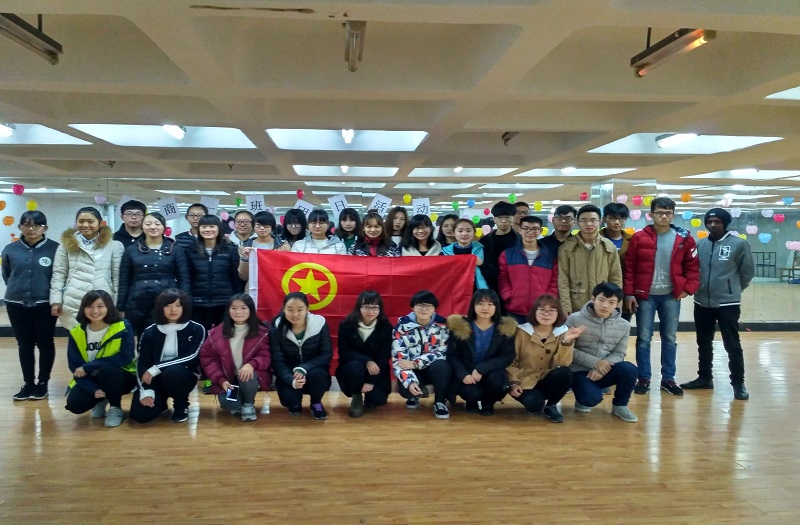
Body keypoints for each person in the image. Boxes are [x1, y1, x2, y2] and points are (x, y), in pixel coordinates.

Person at [624, 197, 700, 397]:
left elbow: (693, 267)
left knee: (669, 338)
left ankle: (668, 378)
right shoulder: (639, 238)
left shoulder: (684, 238)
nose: (664, 216)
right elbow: (630, 268)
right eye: (659, 212)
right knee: (643, 338)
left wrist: (688, 289)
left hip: (671, 296)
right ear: (651, 214)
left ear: (673, 215)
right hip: (645, 297)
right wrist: (629, 293)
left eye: (668, 213)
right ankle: (644, 378)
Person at [681, 208, 754, 400]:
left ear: (725, 223)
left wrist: (733, 289)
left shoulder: (739, 244)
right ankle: (704, 377)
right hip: (702, 302)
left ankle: (738, 383)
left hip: (728, 303)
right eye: (710, 221)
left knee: (732, 344)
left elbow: (747, 272)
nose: (713, 225)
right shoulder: (700, 244)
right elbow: (693, 270)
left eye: (717, 222)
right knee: (703, 342)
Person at [3, 211, 60, 401]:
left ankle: (42, 383)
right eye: (26, 224)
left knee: (45, 343)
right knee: (24, 344)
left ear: (45, 228)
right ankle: (28, 383)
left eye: (36, 225)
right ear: (20, 227)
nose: (31, 229)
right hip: (16, 303)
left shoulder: (55, 249)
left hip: (45, 304)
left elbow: (59, 276)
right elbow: (7, 275)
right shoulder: (10, 249)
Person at [130, 289, 206, 424]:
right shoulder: (149, 332)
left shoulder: (196, 329)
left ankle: (181, 405)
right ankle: (161, 403)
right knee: (139, 415)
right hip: (154, 380)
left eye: (178, 305)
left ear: (185, 307)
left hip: (182, 376)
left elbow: (191, 356)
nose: (173, 310)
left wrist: (157, 368)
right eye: (168, 305)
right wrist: (145, 390)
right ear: (160, 308)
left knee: (173, 372)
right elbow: (141, 364)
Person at [566, 282, 638, 423]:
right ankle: (582, 396)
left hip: (604, 369)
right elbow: (567, 350)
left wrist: (602, 367)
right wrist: (596, 363)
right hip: (579, 370)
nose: (605, 306)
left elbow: (620, 353)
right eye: (601, 300)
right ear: (593, 299)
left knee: (630, 369)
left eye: (611, 302)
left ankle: (620, 406)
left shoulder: (624, 325)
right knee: (590, 399)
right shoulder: (574, 319)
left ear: (617, 304)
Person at [64, 290, 137, 428]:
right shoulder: (76, 332)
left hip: (122, 376)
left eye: (100, 306)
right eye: (89, 306)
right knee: (75, 405)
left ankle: (115, 407)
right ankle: (101, 399)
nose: (95, 311)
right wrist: (93, 389)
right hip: (92, 378)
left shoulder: (123, 327)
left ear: (108, 307)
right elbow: (75, 366)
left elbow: (125, 358)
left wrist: (89, 366)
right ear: (83, 308)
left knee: (106, 369)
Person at [508, 295, 583, 423]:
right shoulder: (521, 331)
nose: (546, 314)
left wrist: (566, 341)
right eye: (542, 310)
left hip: (548, 378)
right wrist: (513, 383)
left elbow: (563, 363)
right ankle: (537, 400)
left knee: (565, 372)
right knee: (535, 406)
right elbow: (510, 361)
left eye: (552, 310)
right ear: (534, 312)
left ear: (558, 313)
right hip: (524, 381)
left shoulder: (563, 332)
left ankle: (551, 405)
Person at [50, 207, 125, 330]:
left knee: (101, 337)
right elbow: (59, 273)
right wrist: (56, 301)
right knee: (76, 336)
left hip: (103, 300)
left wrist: (118, 304)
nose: (85, 225)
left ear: (100, 223)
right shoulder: (66, 245)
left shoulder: (114, 246)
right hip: (74, 300)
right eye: (81, 221)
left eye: (90, 221)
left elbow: (117, 277)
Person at [200, 294, 270, 422]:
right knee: (229, 404)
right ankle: (239, 402)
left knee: (247, 375)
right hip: (229, 380)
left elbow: (266, 356)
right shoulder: (216, 333)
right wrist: (221, 380)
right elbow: (208, 359)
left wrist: (252, 364)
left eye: (243, 308)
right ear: (228, 310)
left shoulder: (261, 332)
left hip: (250, 376)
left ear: (251, 310)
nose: (238, 312)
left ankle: (248, 404)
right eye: (234, 308)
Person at [117, 212, 190, 336]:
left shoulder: (175, 249)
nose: (153, 227)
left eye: (157, 224)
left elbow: (184, 278)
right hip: (137, 301)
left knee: (167, 337)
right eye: (148, 224)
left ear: (164, 227)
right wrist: (121, 306)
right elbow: (124, 280)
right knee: (141, 338)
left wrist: (185, 303)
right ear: (142, 226)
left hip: (168, 302)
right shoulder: (131, 250)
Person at [446, 290, 516, 416]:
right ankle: (471, 402)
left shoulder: (505, 328)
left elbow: (507, 356)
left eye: (490, 304)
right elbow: (452, 355)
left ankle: (488, 402)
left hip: (492, 372)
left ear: (496, 306)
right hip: (468, 373)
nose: (485, 308)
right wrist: (463, 374)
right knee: (470, 392)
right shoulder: (460, 326)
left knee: (496, 380)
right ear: (473, 305)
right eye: (480, 303)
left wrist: (482, 369)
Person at [269, 292, 333, 420]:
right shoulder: (277, 327)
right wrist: (291, 379)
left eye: (300, 310)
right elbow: (277, 361)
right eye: (290, 310)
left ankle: (316, 403)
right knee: (289, 399)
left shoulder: (319, 324)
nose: (295, 314)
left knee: (318, 375)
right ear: (283, 309)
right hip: (289, 373)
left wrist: (304, 368)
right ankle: (295, 402)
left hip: (313, 370)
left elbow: (326, 354)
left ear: (307, 309)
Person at [392, 290, 452, 419]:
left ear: (434, 309)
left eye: (428, 306)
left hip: (432, 368)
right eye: (420, 305)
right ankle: (414, 395)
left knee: (442, 366)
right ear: (412, 308)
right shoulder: (401, 328)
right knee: (405, 389)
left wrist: (416, 363)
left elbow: (443, 352)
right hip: (412, 371)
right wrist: (410, 381)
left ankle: (440, 402)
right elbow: (398, 359)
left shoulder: (443, 326)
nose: (424, 309)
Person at [336, 290, 393, 418]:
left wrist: (371, 381)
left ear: (380, 309)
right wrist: (367, 361)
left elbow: (384, 356)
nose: (370, 311)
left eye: (375, 307)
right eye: (366, 306)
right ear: (359, 307)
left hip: (377, 370)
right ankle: (356, 396)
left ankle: (369, 395)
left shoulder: (385, 327)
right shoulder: (346, 325)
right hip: (353, 368)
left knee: (376, 401)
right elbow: (344, 352)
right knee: (355, 367)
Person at [557, 204, 622, 315]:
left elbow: (616, 277)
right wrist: (565, 306)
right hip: (576, 305)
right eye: (584, 220)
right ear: (577, 222)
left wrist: (617, 305)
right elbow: (563, 280)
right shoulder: (567, 247)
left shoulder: (609, 246)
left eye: (593, 220)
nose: (589, 224)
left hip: (603, 304)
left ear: (600, 222)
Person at [185, 214, 241, 333]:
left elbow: (235, 277)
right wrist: (188, 299)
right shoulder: (190, 250)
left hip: (225, 302)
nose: (208, 230)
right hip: (198, 303)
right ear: (199, 229)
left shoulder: (230, 249)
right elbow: (186, 277)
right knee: (199, 335)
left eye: (212, 226)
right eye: (204, 227)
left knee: (224, 336)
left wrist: (237, 299)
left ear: (218, 228)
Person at [498, 216, 559, 323]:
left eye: (535, 229)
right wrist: (508, 296)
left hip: (541, 309)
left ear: (540, 231)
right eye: (526, 228)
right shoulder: (508, 254)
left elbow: (554, 280)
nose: (530, 232)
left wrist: (548, 299)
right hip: (515, 309)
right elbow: (503, 278)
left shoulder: (550, 255)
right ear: (520, 230)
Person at [600, 202, 633, 321]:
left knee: (621, 324)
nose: (617, 222)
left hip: (624, 290)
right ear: (604, 219)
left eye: (621, 219)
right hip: (600, 290)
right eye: (612, 218)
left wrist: (630, 293)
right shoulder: (596, 239)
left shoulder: (632, 241)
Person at [479, 201, 520, 296]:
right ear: (494, 219)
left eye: (507, 217)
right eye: (500, 218)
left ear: (513, 218)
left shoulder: (521, 240)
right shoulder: (484, 241)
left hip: (514, 285)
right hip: (490, 285)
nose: (504, 221)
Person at [441, 218, 487, 289]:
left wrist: (481, 264)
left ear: (474, 233)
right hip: (453, 290)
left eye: (468, 231)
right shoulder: (444, 253)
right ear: (454, 233)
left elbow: (493, 274)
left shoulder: (482, 250)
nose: (464, 234)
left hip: (477, 290)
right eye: (460, 231)